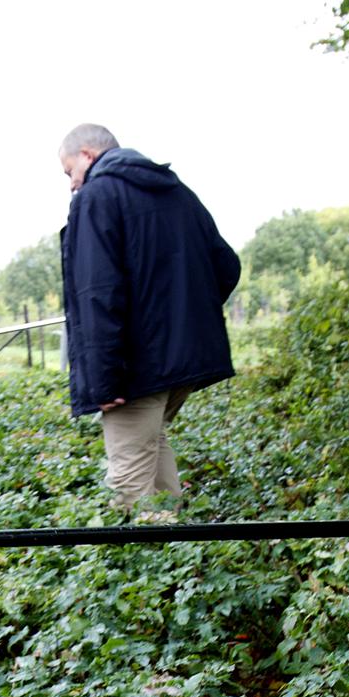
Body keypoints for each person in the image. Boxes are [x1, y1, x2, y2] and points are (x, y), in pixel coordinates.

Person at [56, 123, 243, 510]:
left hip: (134, 369)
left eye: (69, 171)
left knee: (128, 482)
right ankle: (173, 539)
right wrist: (183, 318)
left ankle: (148, 544)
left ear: (88, 155)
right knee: (152, 448)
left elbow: (97, 292)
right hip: (183, 363)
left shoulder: (97, 196)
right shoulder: (178, 193)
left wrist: (104, 381)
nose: (71, 183)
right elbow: (226, 267)